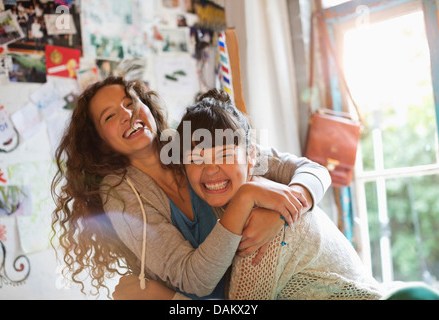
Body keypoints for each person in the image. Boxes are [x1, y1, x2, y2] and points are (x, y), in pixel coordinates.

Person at [51, 76, 331, 299]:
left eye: (129, 102)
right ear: (98, 140)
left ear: (147, 107)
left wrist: (286, 210)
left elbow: (310, 170)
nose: (126, 114)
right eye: (109, 116)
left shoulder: (189, 141)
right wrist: (247, 197)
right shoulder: (120, 194)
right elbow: (194, 280)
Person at [113, 89, 382, 300]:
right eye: (196, 159)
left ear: (252, 157)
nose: (211, 170)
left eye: (225, 155)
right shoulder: (244, 204)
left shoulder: (260, 229)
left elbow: (313, 170)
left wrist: (162, 298)